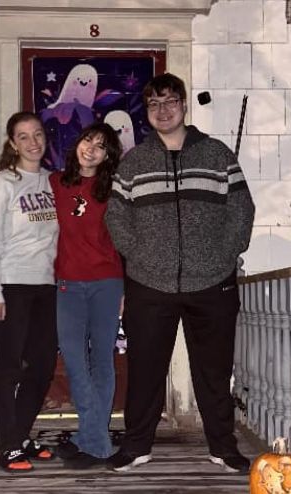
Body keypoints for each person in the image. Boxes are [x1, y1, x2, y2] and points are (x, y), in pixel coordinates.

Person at [105, 73, 256, 474]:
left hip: (213, 282)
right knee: (145, 370)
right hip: (149, 283)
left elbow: (242, 211)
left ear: (184, 105)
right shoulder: (134, 162)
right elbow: (116, 217)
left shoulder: (218, 154)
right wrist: (139, 256)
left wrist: (224, 254)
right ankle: (136, 446)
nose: (162, 110)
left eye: (170, 101)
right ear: (147, 112)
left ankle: (223, 448)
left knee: (215, 371)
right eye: (154, 105)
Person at [0, 111, 59, 472]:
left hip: (46, 286)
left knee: (41, 367)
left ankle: (21, 434)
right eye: (24, 136)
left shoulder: (52, 182)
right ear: (13, 143)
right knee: (8, 366)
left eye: (38, 134)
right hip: (10, 285)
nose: (33, 142)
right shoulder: (3, 183)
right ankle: (7, 445)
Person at [49, 122, 125, 469]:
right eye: (87, 140)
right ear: (77, 143)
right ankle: (97, 440)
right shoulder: (55, 183)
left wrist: (125, 289)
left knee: (102, 361)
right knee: (75, 359)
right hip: (68, 284)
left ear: (108, 155)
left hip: (107, 283)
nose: (91, 149)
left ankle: (90, 438)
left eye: (101, 146)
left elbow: (125, 241)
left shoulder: (113, 190)